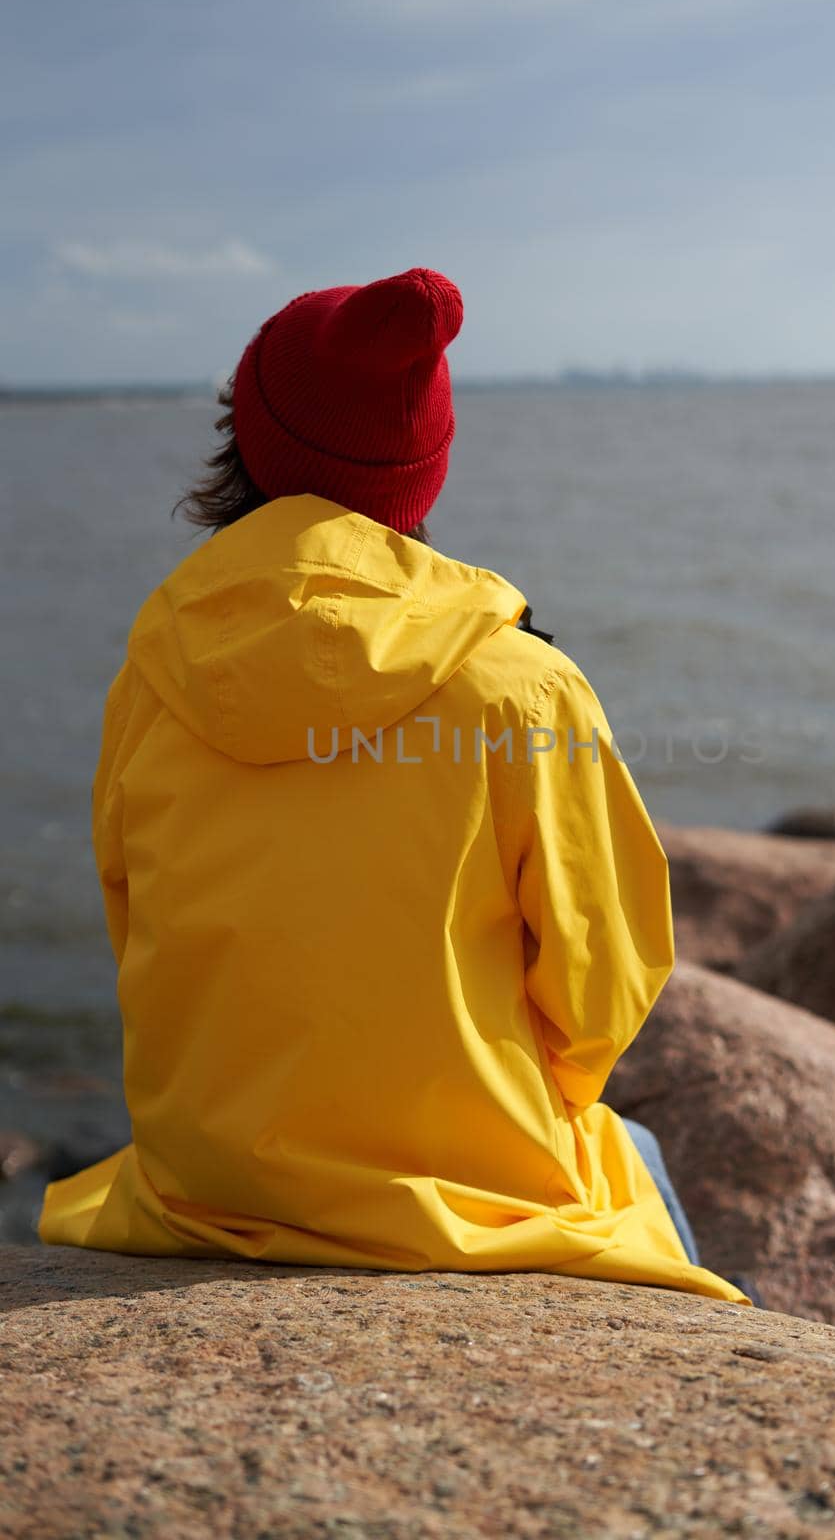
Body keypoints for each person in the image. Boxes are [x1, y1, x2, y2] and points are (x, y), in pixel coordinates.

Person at [37, 267, 752, 1308]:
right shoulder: (519, 687)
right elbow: (607, 975)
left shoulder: (152, 673)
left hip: (209, 1184)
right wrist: (525, 1095)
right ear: (420, 470)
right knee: (630, 1151)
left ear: (247, 440)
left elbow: (134, 917)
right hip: (457, 1195)